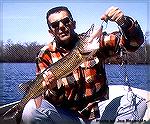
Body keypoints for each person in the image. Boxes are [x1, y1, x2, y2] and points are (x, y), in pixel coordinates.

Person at [22, 6, 146, 124]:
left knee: (137, 102)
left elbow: (133, 44)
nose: (61, 27)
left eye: (66, 21)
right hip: (67, 115)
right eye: (55, 25)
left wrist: (124, 22)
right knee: (31, 110)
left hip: (98, 112)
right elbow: (50, 100)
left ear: (73, 23)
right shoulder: (45, 54)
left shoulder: (93, 43)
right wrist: (53, 88)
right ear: (50, 31)